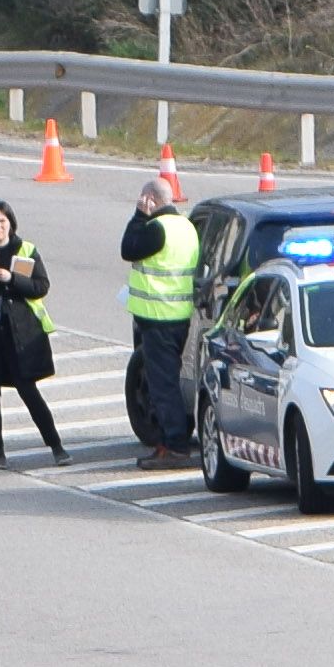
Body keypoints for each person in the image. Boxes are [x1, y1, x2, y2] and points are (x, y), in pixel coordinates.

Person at [0, 199, 65, 466]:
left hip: (19, 334)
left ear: (11, 224)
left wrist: (12, 279)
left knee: (28, 389)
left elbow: (41, 286)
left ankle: (56, 446)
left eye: (2, 222)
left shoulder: (25, 250)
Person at [116, 170, 201, 457]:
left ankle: (174, 446)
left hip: (158, 317)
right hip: (179, 316)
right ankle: (174, 439)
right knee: (170, 381)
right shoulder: (187, 227)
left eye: (143, 200)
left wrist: (139, 216)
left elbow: (128, 248)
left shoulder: (157, 228)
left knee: (162, 386)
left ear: (150, 200)